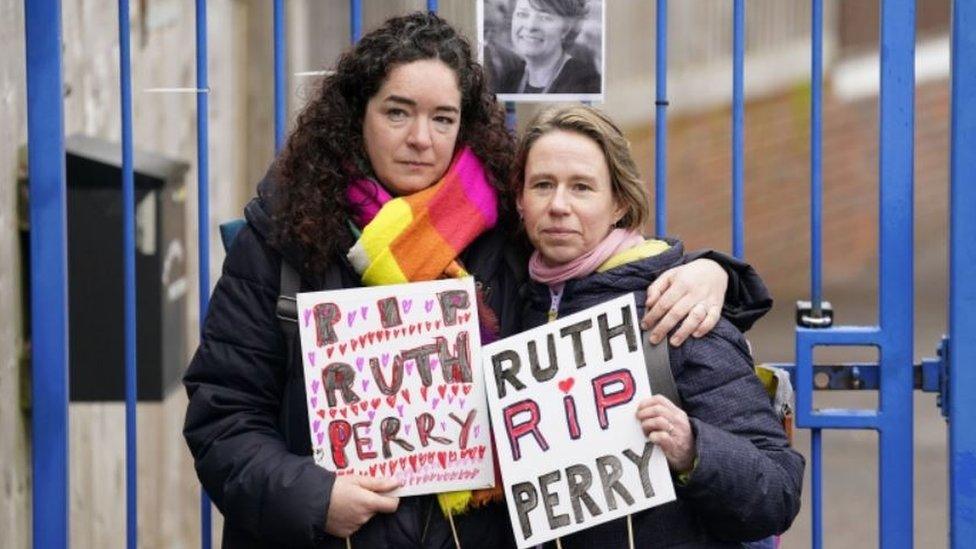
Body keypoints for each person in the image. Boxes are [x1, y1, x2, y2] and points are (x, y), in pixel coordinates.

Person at [183, 12, 767, 549]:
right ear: (354, 115)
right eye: (397, 112)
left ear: (465, 126)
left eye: (443, 119)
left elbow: (606, 265)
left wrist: (711, 272)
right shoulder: (282, 236)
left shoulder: (508, 227)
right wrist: (314, 497)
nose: (421, 138)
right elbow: (223, 415)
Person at [512, 105, 804, 547]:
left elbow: (778, 492)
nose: (558, 206)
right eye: (542, 185)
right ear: (520, 200)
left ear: (620, 204)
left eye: (582, 188)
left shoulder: (675, 310)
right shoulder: (510, 305)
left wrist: (694, 450)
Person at [487, 0, 601, 95]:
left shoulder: (587, 82)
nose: (530, 26)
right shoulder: (508, 80)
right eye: (522, 14)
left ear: (566, 29)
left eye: (545, 18)